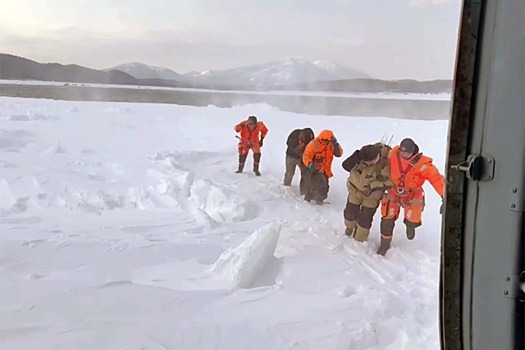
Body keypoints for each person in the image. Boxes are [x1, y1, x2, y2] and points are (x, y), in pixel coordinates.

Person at [377, 138, 445, 256]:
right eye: (402, 151)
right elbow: (379, 155)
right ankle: (384, 244)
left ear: (413, 152)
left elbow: (436, 179)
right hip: (394, 191)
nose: (404, 154)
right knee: (387, 216)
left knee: (413, 217)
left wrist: (445, 196)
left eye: (407, 152)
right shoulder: (393, 153)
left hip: (412, 194)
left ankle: (410, 226)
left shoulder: (423, 164)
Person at [342, 143, 393, 242]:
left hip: (372, 195)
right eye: (366, 162)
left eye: (371, 162)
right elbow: (345, 166)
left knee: (365, 219)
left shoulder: (386, 162)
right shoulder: (360, 156)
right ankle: (349, 227)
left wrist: (375, 185)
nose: (369, 164)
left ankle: (359, 239)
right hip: (355, 190)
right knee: (350, 213)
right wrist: (357, 155)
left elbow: (391, 181)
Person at [302, 129, 343, 204]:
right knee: (314, 186)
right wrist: (309, 163)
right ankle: (308, 200)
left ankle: (319, 201)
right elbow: (306, 156)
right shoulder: (313, 144)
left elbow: (339, 154)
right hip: (314, 170)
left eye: (328, 141)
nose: (326, 143)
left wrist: (336, 145)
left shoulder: (331, 145)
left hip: (325, 170)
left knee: (325, 188)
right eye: (325, 141)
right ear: (321, 138)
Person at [283, 128, 315, 194]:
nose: (304, 139)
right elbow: (288, 143)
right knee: (289, 172)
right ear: (301, 133)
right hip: (290, 156)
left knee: (305, 174)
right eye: (303, 137)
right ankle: (286, 186)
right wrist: (298, 146)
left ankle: (304, 192)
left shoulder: (310, 138)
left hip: (302, 158)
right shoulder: (295, 133)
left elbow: (311, 147)